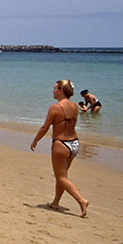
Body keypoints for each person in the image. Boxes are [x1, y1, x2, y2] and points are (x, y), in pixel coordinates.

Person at [30, 79, 89, 217]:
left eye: (55, 88)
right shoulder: (75, 106)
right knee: (62, 176)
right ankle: (55, 202)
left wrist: (35, 140)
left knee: (61, 177)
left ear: (61, 91)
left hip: (61, 144)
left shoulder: (55, 108)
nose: (53, 91)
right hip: (74, 143)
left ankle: (81, 201)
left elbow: (45, 127)